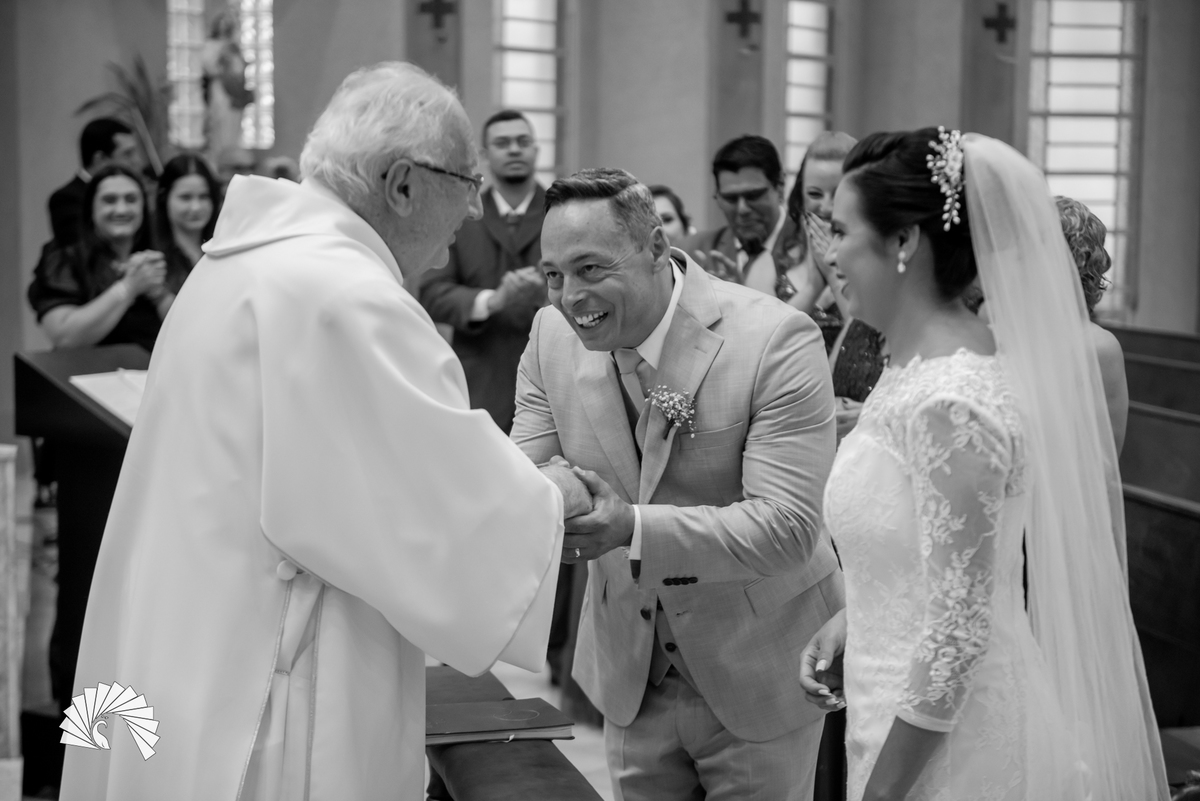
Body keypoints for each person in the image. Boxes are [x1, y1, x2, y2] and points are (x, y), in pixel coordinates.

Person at [61, 62, 588, 800]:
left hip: (187, 639)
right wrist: (553, 497)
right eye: (466, 183)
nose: (474, 209)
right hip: (270, 685)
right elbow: (427, 507)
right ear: (402, 184)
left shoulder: (237, 266)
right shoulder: (342, 296)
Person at [798, 128, 1168, 800]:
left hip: (953, 750)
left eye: (842, 231)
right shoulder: (910, 369)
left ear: (904, 241)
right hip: (894, 702)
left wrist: (882, 794)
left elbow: (960, 629)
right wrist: (857, 616)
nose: (829, 254)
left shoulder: (953, 399)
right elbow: (933, 555)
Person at [514, 167, 844, 800]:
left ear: (657, 247)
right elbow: (525, 474)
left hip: (757, 661)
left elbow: (787, 529)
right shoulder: (550, 335)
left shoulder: (773, 339)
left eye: (590, 269)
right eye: (554, 275)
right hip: (631, 668)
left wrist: (630, 528)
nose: (570, 297)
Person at [419, 109, 548, 434]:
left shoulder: (562, 211)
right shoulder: (463, 215)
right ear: (486, 156)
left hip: (555, 379)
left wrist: (548, 297)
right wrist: (493, 300)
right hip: (482, 382)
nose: (514, 149)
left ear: (536, 150)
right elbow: (432, 293)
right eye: (503, 143)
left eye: (523, 142)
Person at [29, 164, 168, 353]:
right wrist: (128, 287)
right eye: (109, 200)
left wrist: (159, 292)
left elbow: (185, 332)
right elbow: (64, 337)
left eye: (131, 199)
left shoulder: (156, 255)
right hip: (88, 369)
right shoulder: (66, 257)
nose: (121, 210)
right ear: (91, 209)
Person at [680, 135, 803, 304]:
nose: (742, 209)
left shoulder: (810, 248)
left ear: (780, 187)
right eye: (730, 198)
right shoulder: (692, 253)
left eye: (753, 196)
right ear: (717, 196)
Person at [47, 118, 140, 246]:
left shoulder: (136, 191)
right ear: (100, 159)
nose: (137, 161)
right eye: (127, 154)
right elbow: (80, 246)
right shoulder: (66, 199)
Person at [152, 153, 221, 312]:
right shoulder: (152, 256)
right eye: (185, 197)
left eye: (204, 197)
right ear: (164, 197)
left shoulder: (223, 248)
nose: (196, 207)